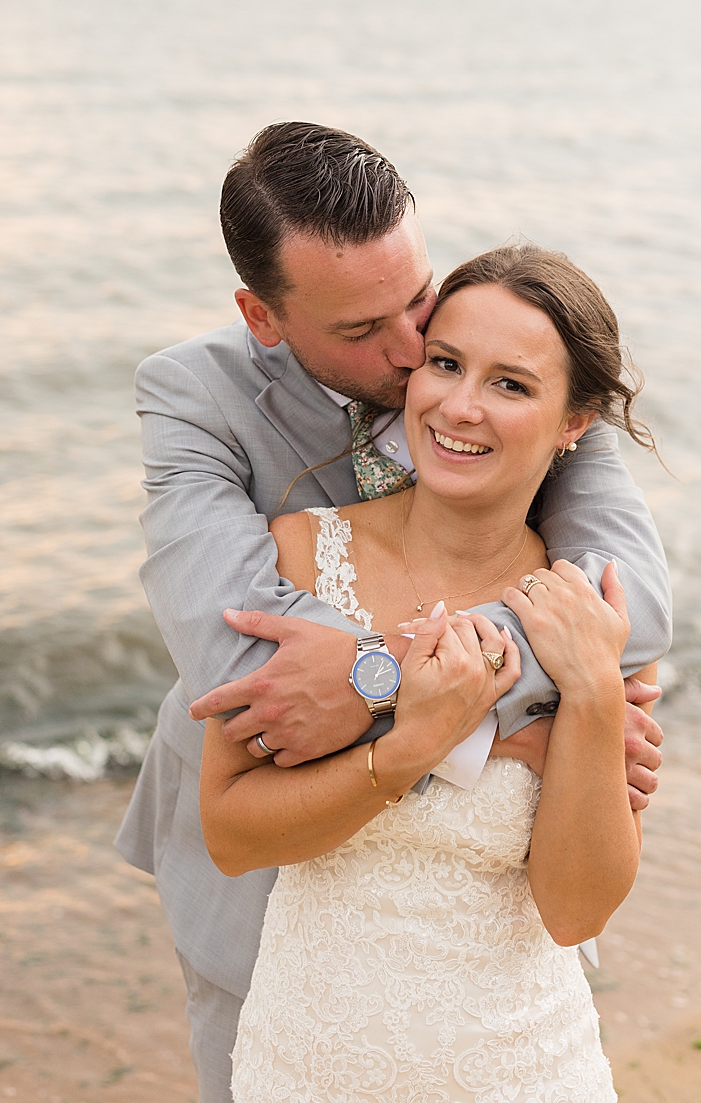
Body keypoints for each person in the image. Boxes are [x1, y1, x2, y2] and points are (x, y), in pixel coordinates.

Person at [114, 123, 671, 1103]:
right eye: (368, 331)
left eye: (416, 299)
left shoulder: (503, 343)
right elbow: (240, 661)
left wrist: (533, 699)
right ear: (264, 316)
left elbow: (635, 604)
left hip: (488, 984)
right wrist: (480, 730)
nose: (416, 354)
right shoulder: (192, 396)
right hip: (266, 906)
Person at [203, 244, 641, 1099]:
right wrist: (411, 747)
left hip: (523, 1068)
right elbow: (231, 833)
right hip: (303, 1065)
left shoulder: (580, 615)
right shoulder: (300, 552)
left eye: (511, 384)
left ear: (573, 421)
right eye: (444, 363)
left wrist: (594, 693)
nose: (459, 406)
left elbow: (576, 910)